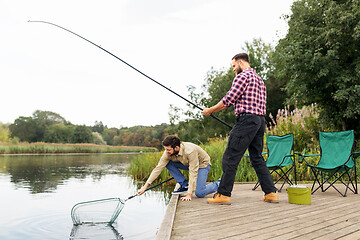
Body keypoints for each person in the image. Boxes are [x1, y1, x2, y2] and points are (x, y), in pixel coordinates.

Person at [202, 53, 278, 205]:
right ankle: (271, 193)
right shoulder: (259, 80)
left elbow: (228, 100)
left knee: (230, 156)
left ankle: (223, 194)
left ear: (240, 62)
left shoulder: (243, 76)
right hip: (259, 121)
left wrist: (210, 110)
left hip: (246, 120)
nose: (233, 69)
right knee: (256, 158)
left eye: (233, 66)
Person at [137, 135, 220, 201]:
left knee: (200, 193)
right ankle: (185, 185)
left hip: (202, 165)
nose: (166, 152)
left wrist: (189, 194)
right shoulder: (168, 153)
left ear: (176, 148)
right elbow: (158, 169)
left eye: (168, 150)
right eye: (165, 149)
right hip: (187, 164)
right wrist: (145, 187)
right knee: (168, 163)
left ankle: (220, 183)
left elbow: (193, 172)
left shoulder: (190, 151)